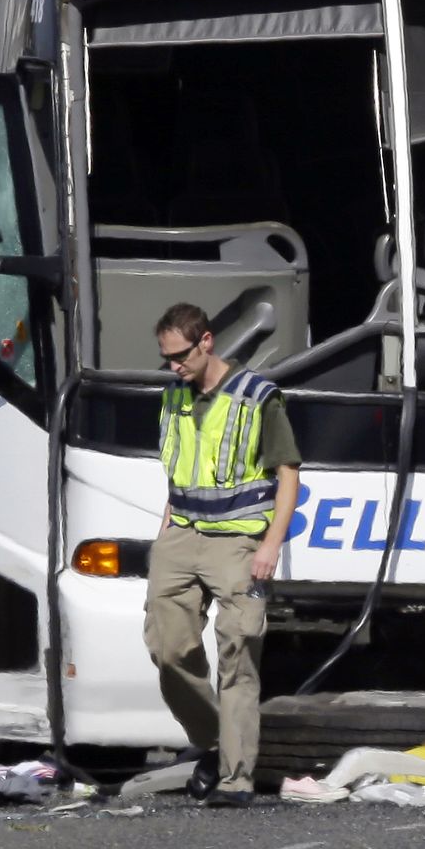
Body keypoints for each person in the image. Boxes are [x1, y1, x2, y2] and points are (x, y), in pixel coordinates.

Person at [145, 302, 301, 807]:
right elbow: (179, 472)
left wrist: (270, 546)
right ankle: (216, 742)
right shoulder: (173, 397)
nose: (174, 366)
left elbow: (288, 476)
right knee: (167, 650)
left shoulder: (257, 397)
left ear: (206, 342)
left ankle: (236, 778)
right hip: (181, 537)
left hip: (237, 542)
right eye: (167, 358)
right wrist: (164, 532)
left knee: (237, 655)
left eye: (180, 356)